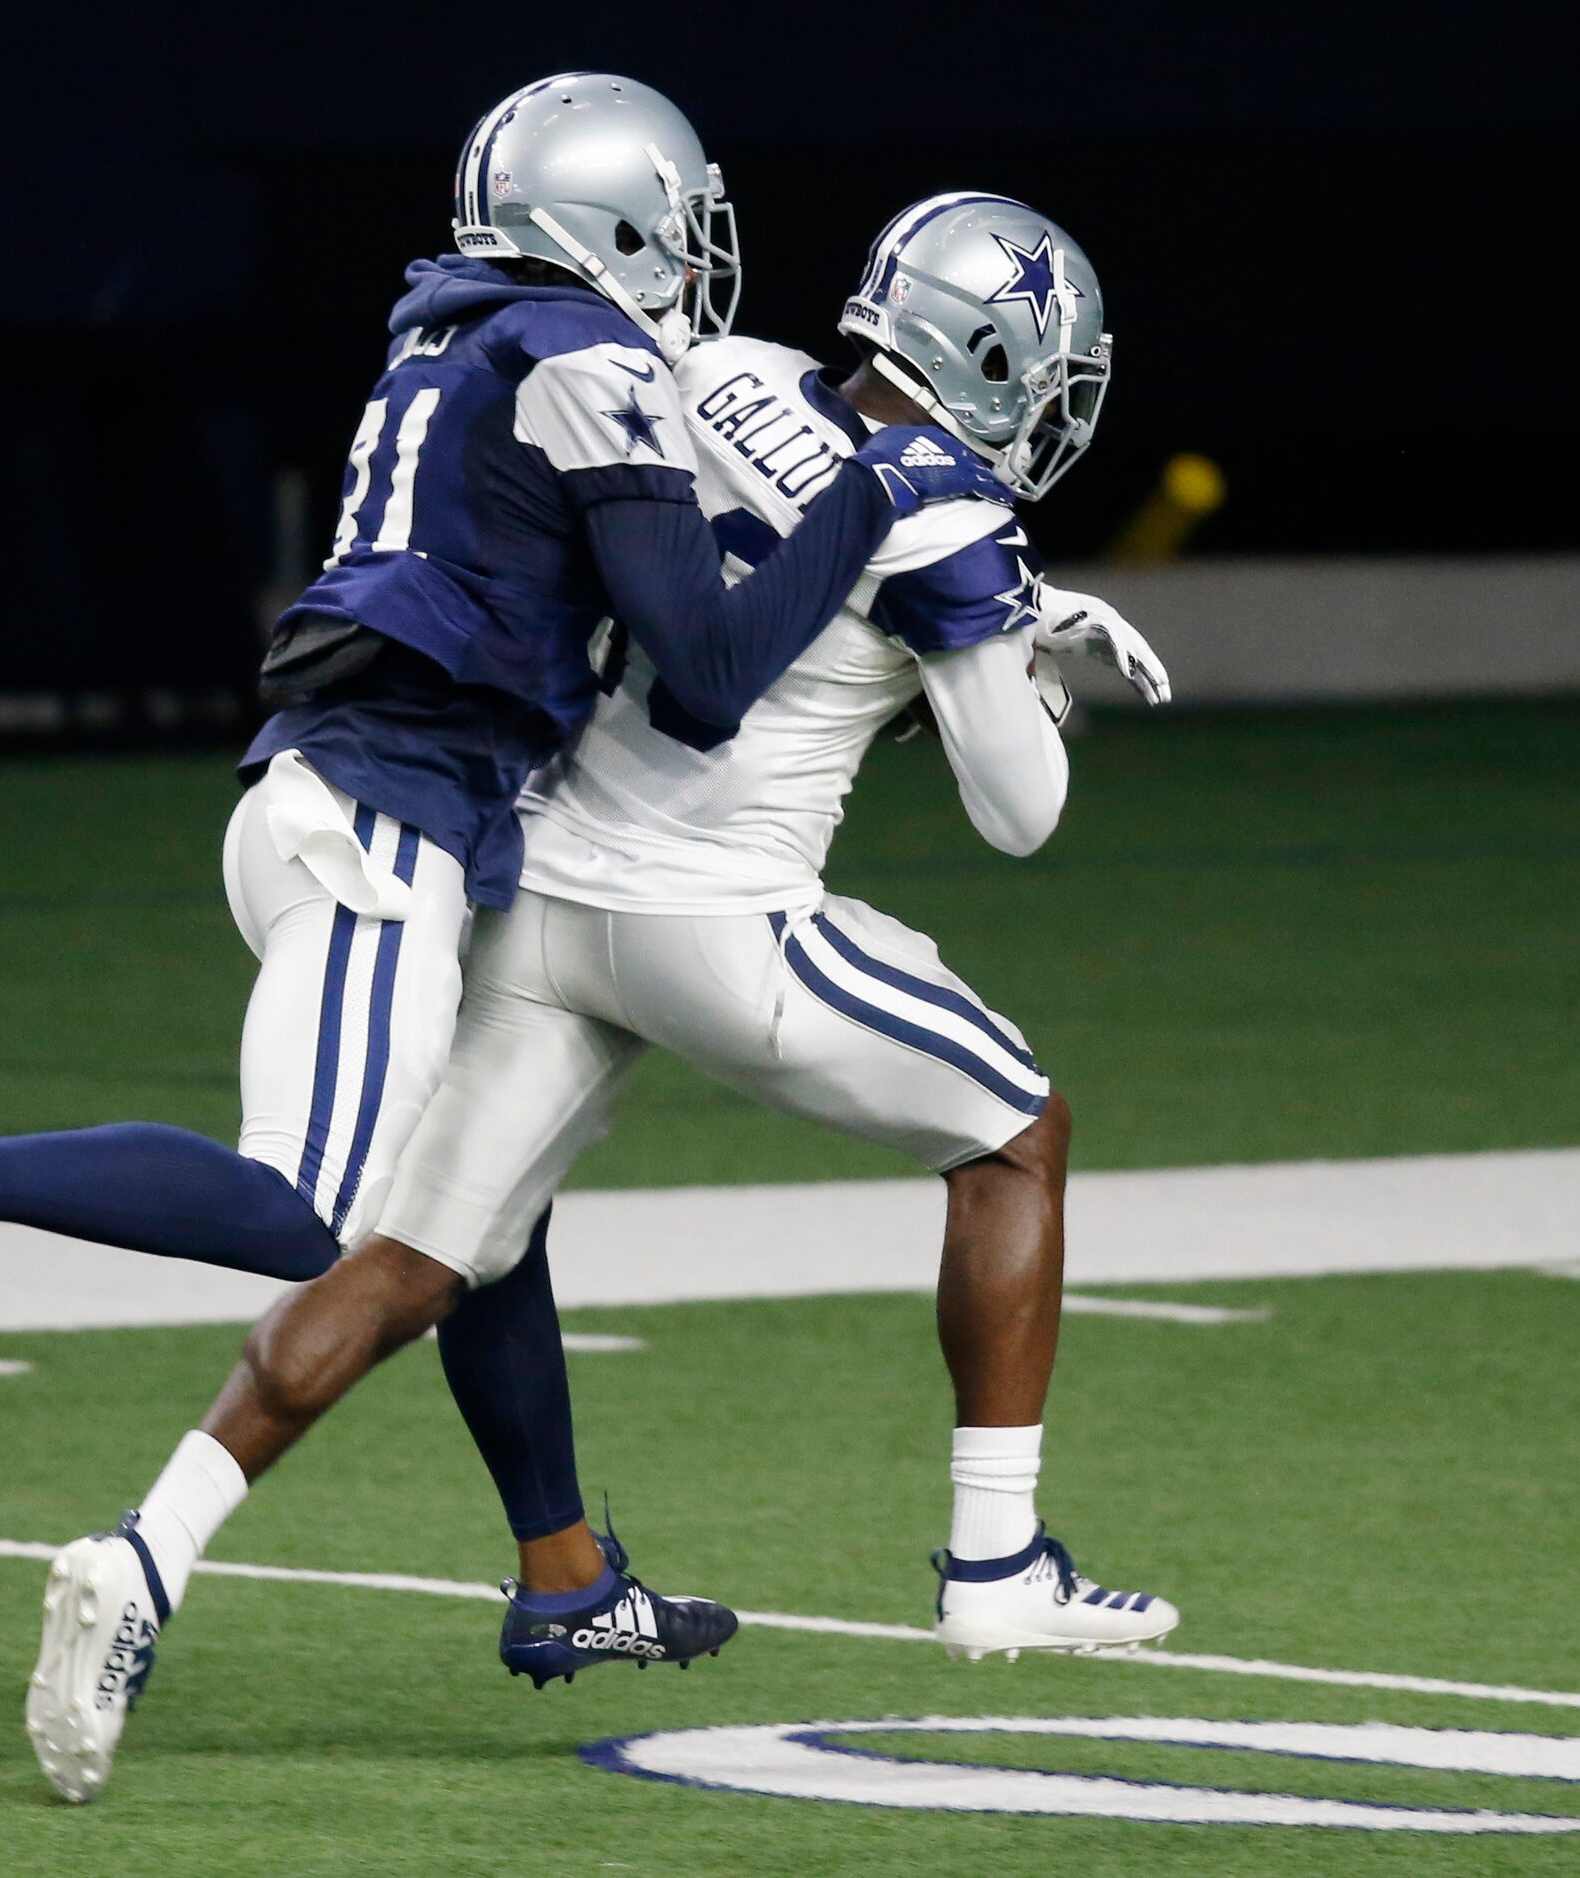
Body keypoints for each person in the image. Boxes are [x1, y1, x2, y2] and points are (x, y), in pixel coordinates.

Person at [0, 77, 1007, 1804]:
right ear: (621, 223)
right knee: (302, 1207)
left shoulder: (460, 331)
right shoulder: (585, 358)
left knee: (484, 1223)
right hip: (383, 824)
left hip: (343, 802)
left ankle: (568, 1572)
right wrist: (870, 498)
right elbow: (718, 668)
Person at [363, 191, 1184, 1667]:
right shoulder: (949, 510)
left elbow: (747, 535)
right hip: (723, 923)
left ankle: (189, 1524)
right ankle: (997, 1561)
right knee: (1017, 1135)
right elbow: (1021, 809)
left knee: (444, 1246)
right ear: (995, 362)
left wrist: (1017, 598)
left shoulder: (720, 367)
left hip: (546, 877)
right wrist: (1011, 651)